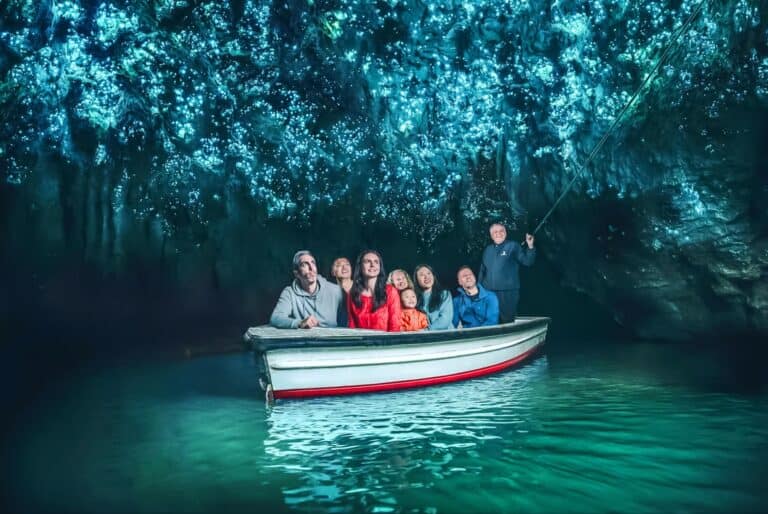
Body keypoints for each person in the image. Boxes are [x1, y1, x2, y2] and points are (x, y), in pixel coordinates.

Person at [478, 223, 535, 323]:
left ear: (505, 233)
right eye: (495, 232)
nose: (499, 233)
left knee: (507, 320)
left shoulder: (513, 246)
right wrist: (479, 289)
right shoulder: (487, 250)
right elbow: (482, 271)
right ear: (491, 235)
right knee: (489, 319)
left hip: (508, 292)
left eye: (501, 231)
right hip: (488, 292)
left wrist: (530, 247)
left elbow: (527, 262)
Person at [270, 250, 343, 329]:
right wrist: (300, 323)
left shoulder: (335, 290)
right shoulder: (289, 292)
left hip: (330, 339)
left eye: (313, 263)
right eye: (304, 265)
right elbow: (276, 318)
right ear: (297, 274)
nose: (311, 268)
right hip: (305, 340)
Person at [347, 250, 401, 331]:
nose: (372, 265)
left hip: (385, 342)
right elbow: (352, 326)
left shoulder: (390, 291)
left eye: (376, 262)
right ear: (360, 267)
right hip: (361, 342)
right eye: (367, 261)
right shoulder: (352, 294)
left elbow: (395, 325)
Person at [413, 264, 454, 330]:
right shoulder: (414, 299)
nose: (426, 277)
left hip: (445, 336)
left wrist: (427, 330)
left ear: (433, 276)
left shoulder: (444, 294)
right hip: (426, 337)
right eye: (422, 275)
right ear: (417, 280)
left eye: (429, 273)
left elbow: (445, 320)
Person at [330, 257, 353, 327]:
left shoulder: (362, 288)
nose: (344, 267)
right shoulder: (330, 292)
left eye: (347, 264)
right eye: (339, 265)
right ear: (333, 272)